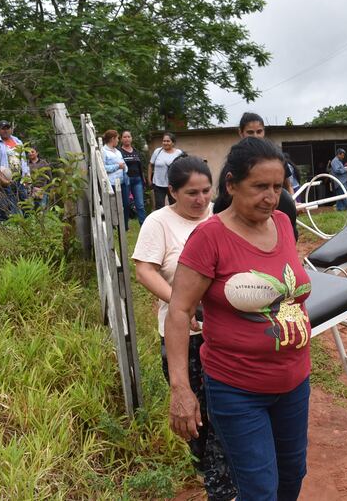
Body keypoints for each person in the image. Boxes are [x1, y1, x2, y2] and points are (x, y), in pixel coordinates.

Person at [166, 137, 312, 500]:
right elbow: (180, 310)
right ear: (231, 185)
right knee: (260, 489)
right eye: (259, 186)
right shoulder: (210, 237)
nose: (270, 196)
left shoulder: (281, 222)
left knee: (293, 473)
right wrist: (181, 389)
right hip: (238, 389)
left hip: (294, 382)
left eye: (277, 187)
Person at [132, 155, 236, 501]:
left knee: (228, 417)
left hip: (224, 335)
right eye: (192, 192)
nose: (201, 200)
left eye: (207, 191)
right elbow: (145, 270)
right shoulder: (158, 223)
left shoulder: (221, 218)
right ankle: (211, 474)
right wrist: (181, 305)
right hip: (185, 338)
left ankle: (223, 486)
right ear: (172, 191)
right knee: (197, 420)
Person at [212, 113, 299, 241]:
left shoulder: (276, 158)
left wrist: (292, 202)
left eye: (259, 131)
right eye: (250, 132)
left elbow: (287, 185)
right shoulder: (235, 160)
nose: (256, 136)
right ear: (241, 133)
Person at [0, 120, 29, 218]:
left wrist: (27, 175)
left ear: (11, 129)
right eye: (3, 129)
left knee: (24, 199)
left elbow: (24, 160)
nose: (6, 131)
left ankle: (30, 221)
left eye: (7, 128)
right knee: (10, 201)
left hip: (20, 177)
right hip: (6, 177)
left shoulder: (18, 142)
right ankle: (14, 221)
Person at [101, 130, 131, 230]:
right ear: (112, 139)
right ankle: (114, 225)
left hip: (123, 181)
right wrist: (117, 166)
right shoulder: (103, 151)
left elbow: (123, 164)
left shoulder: (118, 151)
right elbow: (103, 168)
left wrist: (125, 168)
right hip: (112, 182)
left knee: (126, 204)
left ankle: (124, 225)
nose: (118, 140)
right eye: (117, 138)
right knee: (113, 205)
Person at [119, 130, 147, 225]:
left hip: (137, 180)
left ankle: (143, 225)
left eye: (128, 137)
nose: (127, 139)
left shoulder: (136, 151)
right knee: (126, 204)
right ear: (121, 139)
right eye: (125, 137)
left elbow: (140, 167)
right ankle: (125, 226)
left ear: (131, 138)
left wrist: (143, 180)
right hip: (126, 181)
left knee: (140, 205)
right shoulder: (119, 152)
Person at [148, 132, 183, 209]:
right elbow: (150, 165)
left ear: (173, 143)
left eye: (168, 141)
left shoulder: (178, 153)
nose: (165, 143)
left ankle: (174, 220)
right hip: (158, 184)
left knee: (174, 205)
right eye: (164, 141)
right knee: (159, 206)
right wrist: (149, 179)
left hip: (172, 184)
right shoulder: (157, 151)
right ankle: (160, 221)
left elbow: (183, 167)